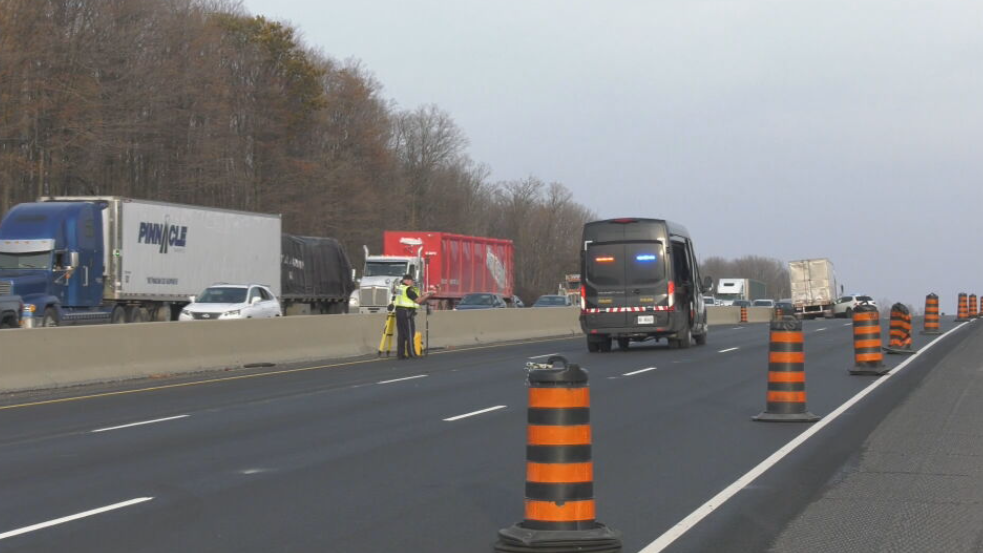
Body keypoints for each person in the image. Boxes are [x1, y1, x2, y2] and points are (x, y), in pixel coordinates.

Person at [391, 274, 434, 359]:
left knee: (401, 334)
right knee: (410, 334)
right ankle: (412, 353)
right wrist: (428, 296)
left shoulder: (400, 288)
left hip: (399, 312)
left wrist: (424, 294)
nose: (412, 282)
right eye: (411, 281)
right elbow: (418, 301)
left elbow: (395, 292)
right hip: (407, 313)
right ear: (407, 280)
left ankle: (401, 354)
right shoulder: (408, 290)